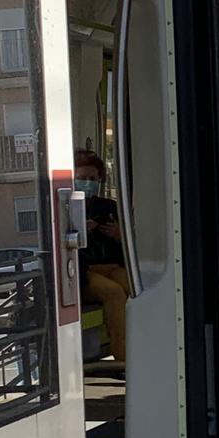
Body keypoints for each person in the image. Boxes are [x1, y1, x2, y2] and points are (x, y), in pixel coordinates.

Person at [75, 149, 130, 362]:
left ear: (99, 180)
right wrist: (80, 233)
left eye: (92, 179)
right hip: (86, 272)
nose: (87, 183)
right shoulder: (66, 208)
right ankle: (123, 357)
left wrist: (119, 235)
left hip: (112, 266)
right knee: (114, 293)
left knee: (135, 289)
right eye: (82, 179)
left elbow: (129, 244)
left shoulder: (109, 207)